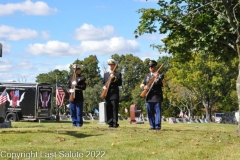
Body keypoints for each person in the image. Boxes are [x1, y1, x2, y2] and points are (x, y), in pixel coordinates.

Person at [140, 60, 164, 130]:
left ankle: (157, 126)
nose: (151, 68)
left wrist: (157, 78)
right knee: (150, 112)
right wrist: (144, 87)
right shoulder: (146, 76)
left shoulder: (160, 75)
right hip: (148, 96)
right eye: (150, 67)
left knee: (157, 112)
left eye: (152, 66)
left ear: (155, 67)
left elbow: (161, 83)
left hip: (156, 96)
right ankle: (152, 125)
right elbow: (142, 84)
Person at [102, 59, 122, 128]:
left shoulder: (117, 74)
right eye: (110, 65)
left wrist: (114, 78)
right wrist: (104, 87)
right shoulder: (106, 74)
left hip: (114, 94)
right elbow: (103, 83)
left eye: (112, 65)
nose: (111, 66)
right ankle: (110, 122)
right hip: (107, 94)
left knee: (114, 108)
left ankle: (114, 123)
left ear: (114, 66)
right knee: (108, 108)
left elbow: (120, 83)